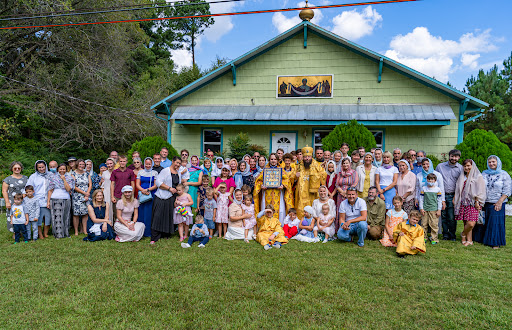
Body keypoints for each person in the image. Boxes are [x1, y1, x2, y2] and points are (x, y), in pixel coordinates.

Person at [474, 155, 511, 249]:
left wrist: (500, 202)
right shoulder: (484, 173)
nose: (491, 164)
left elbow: (507, 190)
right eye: (490, 162)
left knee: (495, 223)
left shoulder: (504, 174)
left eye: (493, 162)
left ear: (498, 162)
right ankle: (481, 239)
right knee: (482, 222)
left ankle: (495, 242)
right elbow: (479, 187)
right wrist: (478, 201)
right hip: (485, 202)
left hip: (497, 202)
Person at [454, 159, 486, 247]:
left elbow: (481, 190)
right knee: (466, 222)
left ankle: (463, 234)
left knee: (471, 223)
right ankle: (469, 240)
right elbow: (458, 189)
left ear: (472, 166)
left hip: (473, 202)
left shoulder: (477, 177)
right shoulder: (462, 177)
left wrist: (477, 201)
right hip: (463, 202)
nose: (466, 168)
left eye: (468, 165)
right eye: (465, 166)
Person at [253, 153, 293, 221]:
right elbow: (258, 181)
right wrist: (261, 186)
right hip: (267, 194)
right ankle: (265, 227)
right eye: (271, 159)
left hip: (278, 194)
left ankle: (278, 228)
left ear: (277, 160)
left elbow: (287, 181)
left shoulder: (281, 170)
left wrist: (283, 186)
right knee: (266, 210)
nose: (273, 161)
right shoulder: (265, 170)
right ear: (269, 160)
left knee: (280, 211)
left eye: (275, 159)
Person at [152, 156, 182, 243]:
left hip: (171, 198)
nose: (178, 165)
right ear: (172, 161)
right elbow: (158, 182)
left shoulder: (179, 173)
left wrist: (177, 198)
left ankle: (165, 234)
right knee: (157, 216)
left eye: (179, 163)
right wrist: (169, 188)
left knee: (168, 216)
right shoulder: (165, 170)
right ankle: (154, 237)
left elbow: (178, 186)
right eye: (177, 162)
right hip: (161, 196)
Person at [435, 149, 463, 241]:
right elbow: (435, 179)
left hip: (453, 196)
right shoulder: (440, 166)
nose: (454, 158)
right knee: (443, 215)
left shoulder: (461, 168)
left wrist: (457, 197)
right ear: (449, 156)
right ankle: (445, 234)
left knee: (451, 216)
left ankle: (452, 234)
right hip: (441, 195)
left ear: (459, 157)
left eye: (456, 157)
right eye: (452, 156)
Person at [294, 146, 327, 219]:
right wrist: (295, 176)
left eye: (309, 157)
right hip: (301, 192)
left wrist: (317, 175)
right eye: (305, 157)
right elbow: (291, 177)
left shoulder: (317, 166)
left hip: (312, 192)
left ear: (311, 156)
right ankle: (301, 222)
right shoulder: (298, 166)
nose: (307, 159)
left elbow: (324, 175)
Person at [47, 163, 75, 238]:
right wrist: (48, 201)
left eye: (64, 169)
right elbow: (50, 190)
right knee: (57, 217)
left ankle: (66, 233)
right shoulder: (53, 178)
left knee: (66, 217)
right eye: (60, 169)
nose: (62, 170)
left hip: (66, 198)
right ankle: (58, 234)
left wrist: (64, 179)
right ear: (58, 169)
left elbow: (68, 189)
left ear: (66, 170)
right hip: (55, 198)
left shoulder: (70, 178)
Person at [26, 160, 51, 239]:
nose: (41, 169)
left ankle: (46, 233)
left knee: (48, 217)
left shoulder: (50, 175)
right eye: (39, 167)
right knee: (38, 218)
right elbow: (28, 187)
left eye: (42, 167)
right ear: (36, 168)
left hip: (48, 199)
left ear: (45, 167)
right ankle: (40, 234)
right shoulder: (33, 176)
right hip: (37, 200)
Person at [2, 161, 28, 235]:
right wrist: (7, 202)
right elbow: (4, 191)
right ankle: (15, 233)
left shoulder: (25, 178)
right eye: (15, 168)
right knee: (14, 216)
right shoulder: (7, 179)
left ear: (21, 168)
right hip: (12, 201)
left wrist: (23, 196)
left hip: (23, 201)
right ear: (12, 169)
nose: (17, 169)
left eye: (18, 168)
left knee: (23, 215)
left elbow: (28, 189)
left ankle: (24, 232)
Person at [136, 157, 158, 238]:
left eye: (149, 164)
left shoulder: (155, 173)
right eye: (146, 164)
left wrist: (148, 189)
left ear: (151, 164)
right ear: (144, 164)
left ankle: (148, 232)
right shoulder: (140, 172)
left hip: (151, 194)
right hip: (142, 194)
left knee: (149, 213)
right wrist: (143, 190)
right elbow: (137, 184)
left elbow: (156, 185)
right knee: (141, 212)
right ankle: (140, 232)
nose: (148, 165)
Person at [419, 173, 442, 244]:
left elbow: (439, 200)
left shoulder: (437, 189)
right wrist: (421, 208)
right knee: (424, 224)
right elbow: (421, 199)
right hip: (425, 209)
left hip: (434, 209)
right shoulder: (424, 189)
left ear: (435, 180)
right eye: (429, 179)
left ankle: (434, 238)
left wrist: (439, 210)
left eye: (432, 179)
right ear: (427, 180)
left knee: (434, 224)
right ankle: (423, 237)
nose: (430, 181)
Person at [110, 155, 135, 220]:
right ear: (118, 162)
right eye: (121, 161)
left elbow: (133, 183)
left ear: (126, 162)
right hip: (117, 195)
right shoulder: (115, 172)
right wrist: (112, 196)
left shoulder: (130, 172)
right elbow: (112, 184)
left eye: (124, 161)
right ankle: (116, 229)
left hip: (128, 195)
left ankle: (128, 228)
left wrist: (132, 194)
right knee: (116, 214)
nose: (122, 163)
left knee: (128, 213)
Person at [72, 159, 92, 235]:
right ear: (77, 165)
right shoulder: (73, 174)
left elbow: (90, 184)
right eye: (80, 164)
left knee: (85, 213)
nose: (81, 166)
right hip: (77, 195)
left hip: (86, 195)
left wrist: (87, 193)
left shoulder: (87, 174)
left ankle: (84, 230)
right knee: (76, 214)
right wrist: (84, 193)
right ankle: (76, 231)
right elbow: (74, 186)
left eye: (83, 164)